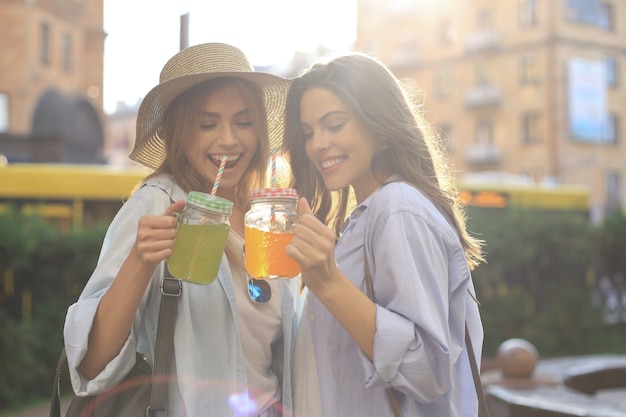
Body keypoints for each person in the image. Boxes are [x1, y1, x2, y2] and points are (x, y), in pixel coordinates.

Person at [63, 43, 299, 417]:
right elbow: (90, 367)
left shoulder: (264, 213)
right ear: (179, 133)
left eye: (243, 121)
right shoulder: (156, 204)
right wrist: (140, 261)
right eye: (207, 124)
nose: (229, 139)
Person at [283, 52, 486, 417]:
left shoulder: (397, 208)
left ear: (380, 127)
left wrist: (329, 283)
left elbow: (428, 372)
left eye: (335, 124)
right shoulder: (367, 216)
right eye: (308, 132)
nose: (317, 144)